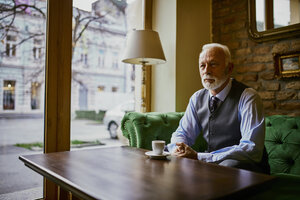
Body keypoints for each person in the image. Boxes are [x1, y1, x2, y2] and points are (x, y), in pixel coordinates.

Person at [167, 43, 267, 173]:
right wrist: (178, 148)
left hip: (248, 169)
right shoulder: (197, 98)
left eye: (213, 64)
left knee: (228, 167)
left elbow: (251, 148)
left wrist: (199, 157)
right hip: (213, 166)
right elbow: (183, 133)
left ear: (229, 68)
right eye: (202, 65)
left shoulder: (248, 97)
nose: (206, 71)